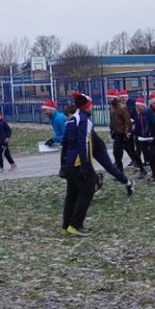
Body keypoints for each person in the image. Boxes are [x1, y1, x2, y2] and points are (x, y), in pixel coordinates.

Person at [61, 92, 97, 236]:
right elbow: (82, 142)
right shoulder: (84, 120)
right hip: (79, 162)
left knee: (72, 195)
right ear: (86, 106)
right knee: (87, 191)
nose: (92, 107)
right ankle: (75, 225)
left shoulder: (71, 120)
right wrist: (85, 164)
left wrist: (63, 163)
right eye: (91, 104)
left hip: (70, 163)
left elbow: (65, 143)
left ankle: (66, 226)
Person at [108, 89, 133, 172]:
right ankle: (120, 171)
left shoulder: (121, 107)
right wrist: (112, 129)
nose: (108, 100)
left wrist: (127, 132)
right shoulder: (112, 107)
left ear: (114, 97)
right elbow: (113, 120)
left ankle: (139, 164)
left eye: (109, 98)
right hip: (117, 133)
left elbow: (127, 121)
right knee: (116, 152)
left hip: (123, 133)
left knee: (129, 151)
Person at [132, 97, 153, 180]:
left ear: (143, 106)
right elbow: (137, 126)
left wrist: (150, 134)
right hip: (141, 137)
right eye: (137, 107)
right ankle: (144, 167)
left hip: (149, 137)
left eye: (139, 106)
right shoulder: (138, 115)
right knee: (141, 151)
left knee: (150, 153)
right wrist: (131, 133)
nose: (138, 108)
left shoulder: (148, 114)